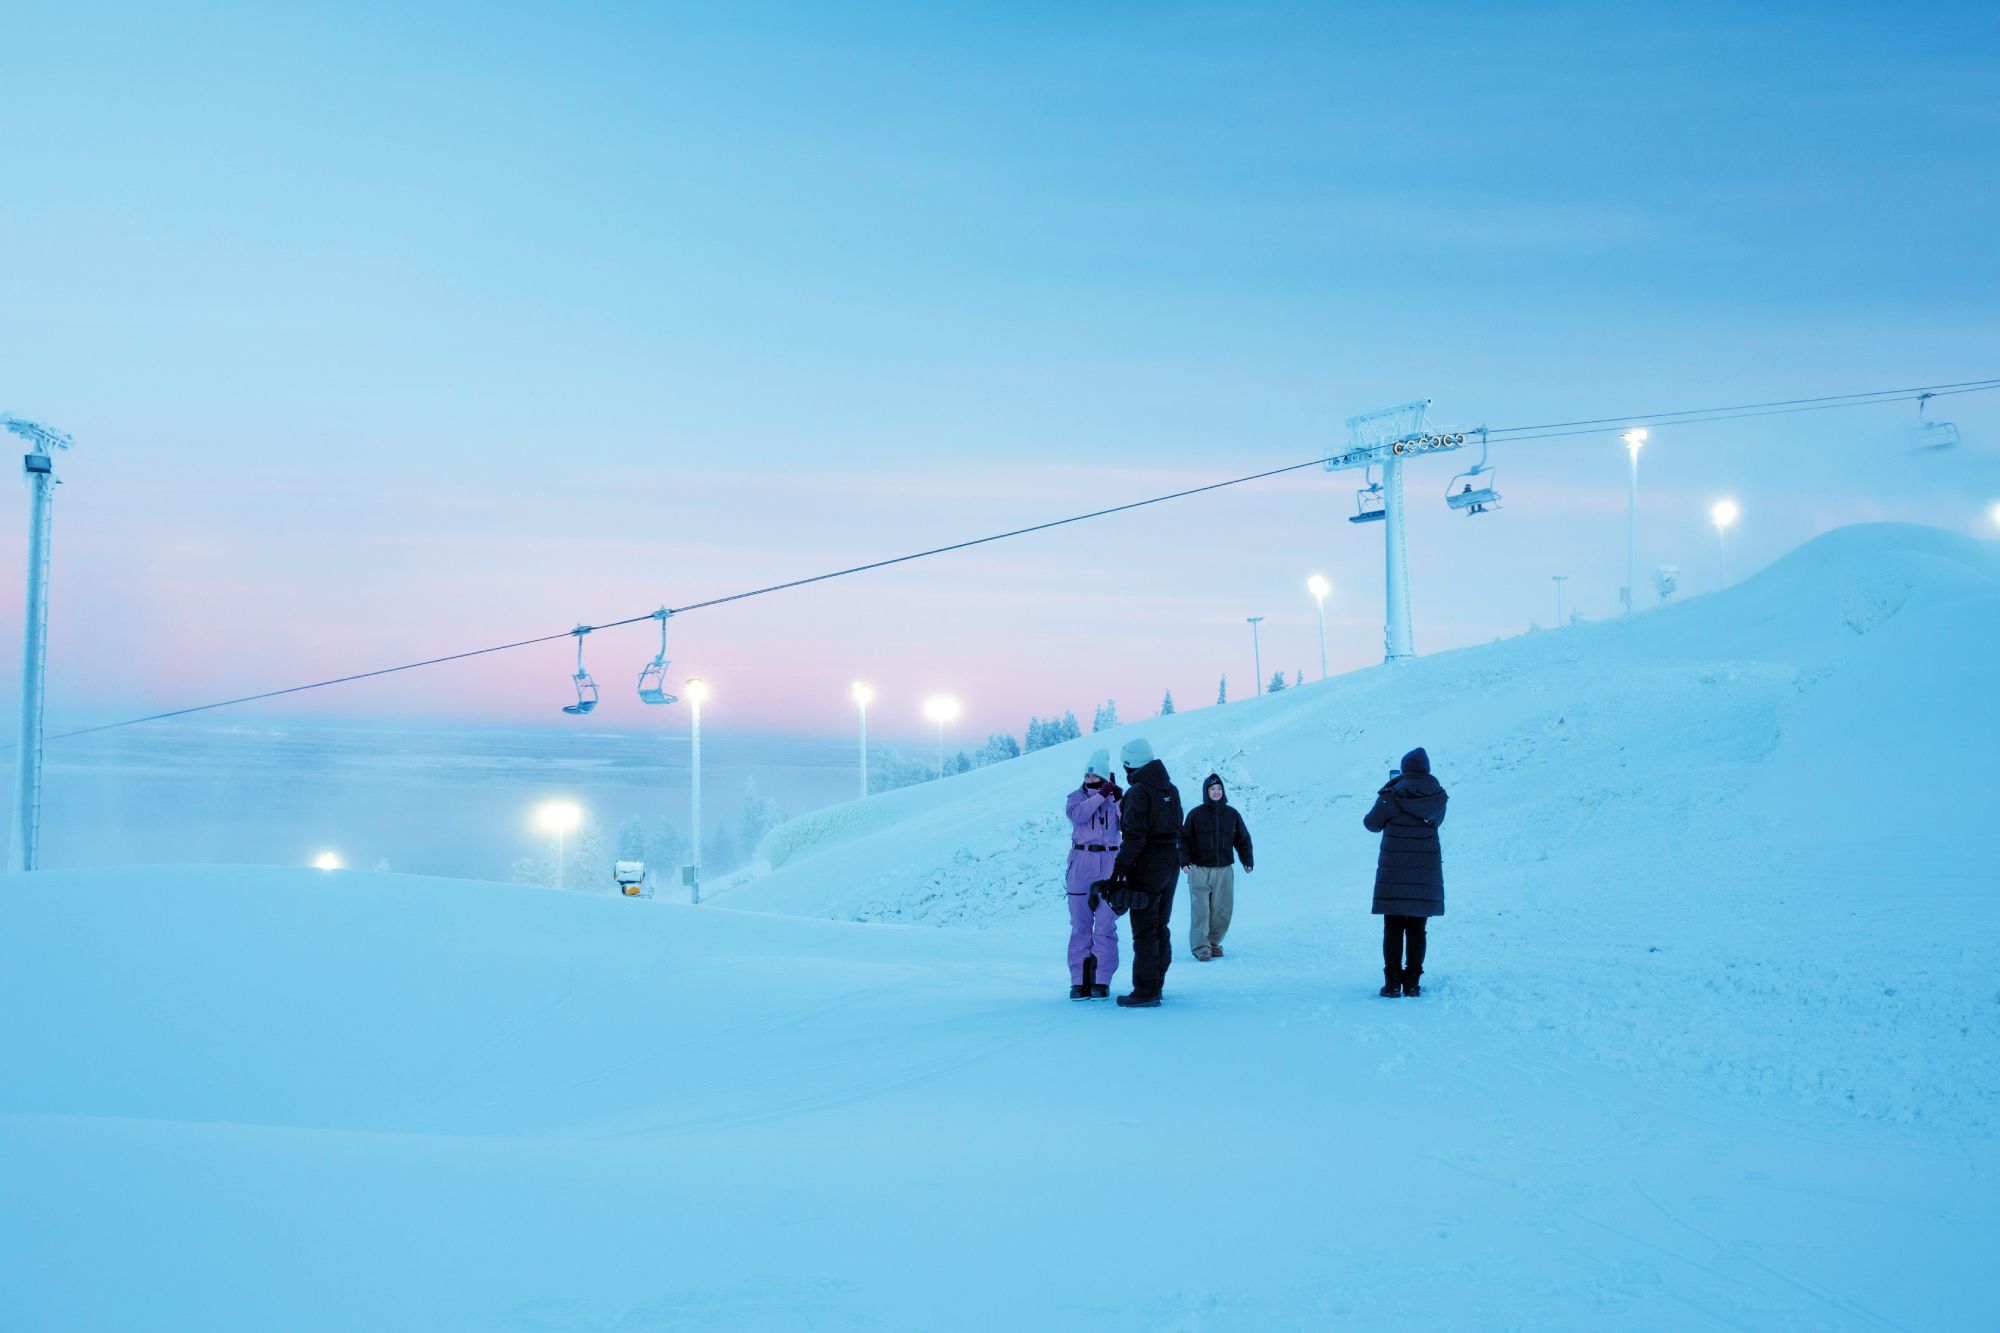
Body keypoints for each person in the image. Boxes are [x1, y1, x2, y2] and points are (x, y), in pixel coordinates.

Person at [1096, 738, 1184, 1008]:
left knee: (1144, 930)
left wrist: (1119, 870)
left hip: (1147, 865)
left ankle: (1146, 991)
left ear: (1130, 764)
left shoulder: (1138, 793)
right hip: (1171, 863)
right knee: (1160, 926)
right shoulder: (1170, 788)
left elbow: (1134, 836)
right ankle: (1156, 982)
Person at [1363, 747, 1448, 997]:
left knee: (1393, 927)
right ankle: (1412, 983)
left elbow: (1371, 824)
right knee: (1417, 928)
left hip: (1394, 872)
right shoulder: (1437, 796)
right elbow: (1436, 822)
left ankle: (1391, 984)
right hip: (1424, 873)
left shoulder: (1392, 794)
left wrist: (1387, 794)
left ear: (1405, 768)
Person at [1063, 750, 1123, 999]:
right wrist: (1100, 796)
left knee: (1106, 924)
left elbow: (1128, 822)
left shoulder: (1115, 797)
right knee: (1080, 924)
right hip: (1082, 861)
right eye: (1087, 774)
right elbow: (1078, 815)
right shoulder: (1075, 797)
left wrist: (1118, 801)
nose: (1090, 778)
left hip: (1109, 860)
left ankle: (1102, 979)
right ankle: (1079, 980)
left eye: (1095, 774)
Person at [1180, 772, 1253, 961]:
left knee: (1222, 910)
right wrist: (1184, 861)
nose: (1216, 791)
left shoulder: (1232, 814)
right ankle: (1201, 948)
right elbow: (1184, 840)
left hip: (1224, 870)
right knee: (1201, 911)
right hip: (1199, 869)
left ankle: (1213, 943)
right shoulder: (1196, 814)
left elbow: (1243, 839)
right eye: (1212, 789)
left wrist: (1247, 860)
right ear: (1206, 792)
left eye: (1219, 788)